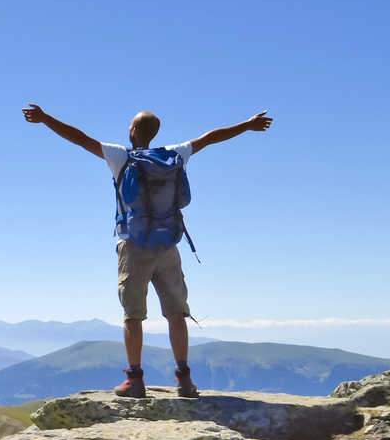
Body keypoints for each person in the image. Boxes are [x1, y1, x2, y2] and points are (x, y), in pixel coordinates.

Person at [21, 104, 272, 398]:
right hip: (168, 245)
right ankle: (185, 380)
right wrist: (247, 124)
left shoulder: (120, 156)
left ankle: (135, 380)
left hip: (133, 246)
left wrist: (45, 118)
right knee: (176, 314)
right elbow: (211, 137)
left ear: (133, 130)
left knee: (133, 316)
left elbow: (79, 138)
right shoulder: (175, 154)